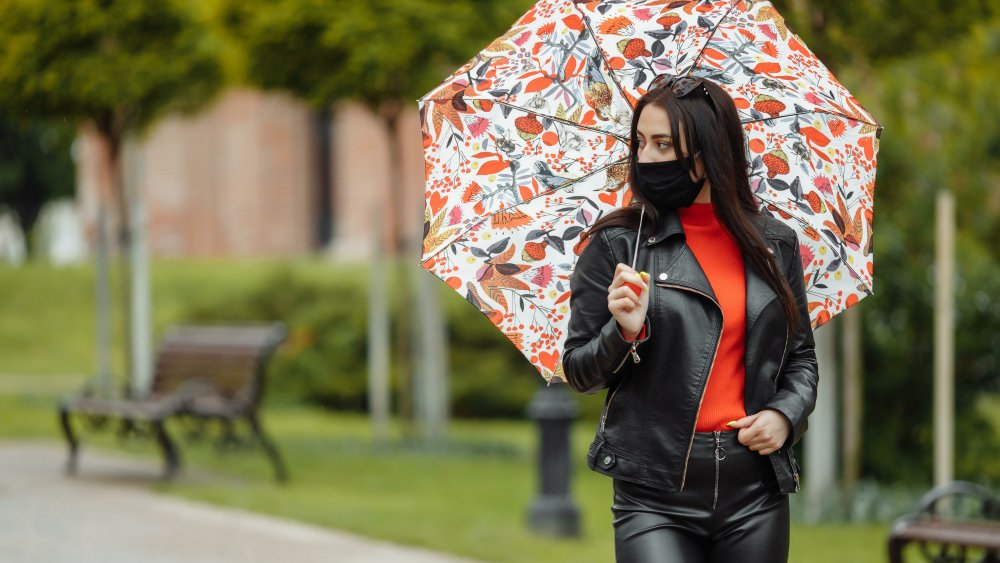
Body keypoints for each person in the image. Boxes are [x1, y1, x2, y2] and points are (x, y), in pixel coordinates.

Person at [561, 74, 818, 563]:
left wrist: (785, 417)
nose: (646, 158)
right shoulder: (618, 243)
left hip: (754, 489)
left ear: (707, 153)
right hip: (653, 492)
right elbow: (579, 371)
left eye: (663, 144)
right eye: (640, 142)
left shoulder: (773, 244)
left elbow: (800, 358)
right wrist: (624, 330)